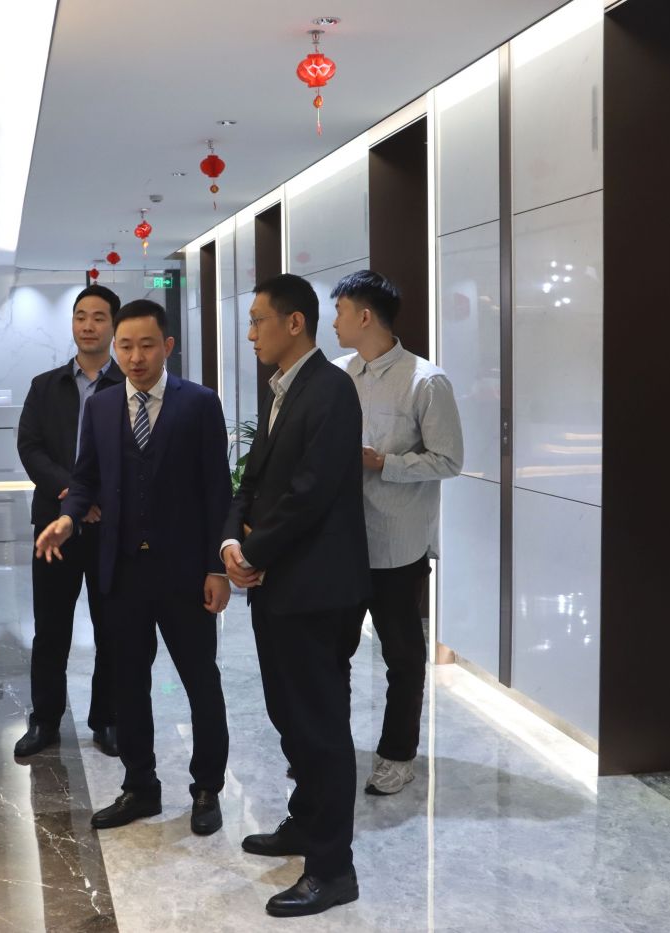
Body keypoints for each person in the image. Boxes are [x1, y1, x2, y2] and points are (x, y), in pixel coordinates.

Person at [35, 299, 232, 836]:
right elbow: (85, 479)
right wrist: (68, 519)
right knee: (128, 682)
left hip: (186, 574)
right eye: (126, 346)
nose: (135, 357)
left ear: (167, 346)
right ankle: (140, 785)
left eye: (146, 345)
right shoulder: (101, 407)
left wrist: (217, 567)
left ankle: (207, 788)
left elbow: (218, 491)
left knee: (201, 681)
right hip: (121, 572)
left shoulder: (199, 403)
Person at [222, 273, 370, 918]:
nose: (250, 333)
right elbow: (252, 481)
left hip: (316, 590)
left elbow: (310, 493)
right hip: (280, 585)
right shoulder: (284, 388)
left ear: (294, 323)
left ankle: (333, 870)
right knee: (291, 717)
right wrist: (233, 540)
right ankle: (307, 822)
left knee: (321, 727)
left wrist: (253, 554)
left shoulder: (331, 390)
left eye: (258, 320)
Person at [331, 269, 464, 796]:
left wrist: (383, 462)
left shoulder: (425, 380)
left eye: (341, 311)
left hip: (397, 546)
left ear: (365, 316)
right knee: (331, 653)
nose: (334, 322)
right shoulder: (337, 375)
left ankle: (398, 755)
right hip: (341, 542)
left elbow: (449, 459)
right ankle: (330, 750)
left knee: (403, 658)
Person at [14, 284, 125, 758]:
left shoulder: (129, 386)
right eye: (81, 316)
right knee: (51, 629)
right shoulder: (46, 386)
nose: (88, 325)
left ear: (113, 325)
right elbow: (30, 448)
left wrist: (95, 500)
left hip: (111, 528)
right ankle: (45, 720)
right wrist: (71, 495)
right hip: (53, 529)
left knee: (113, 628)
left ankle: (108, 719)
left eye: (98, 317)